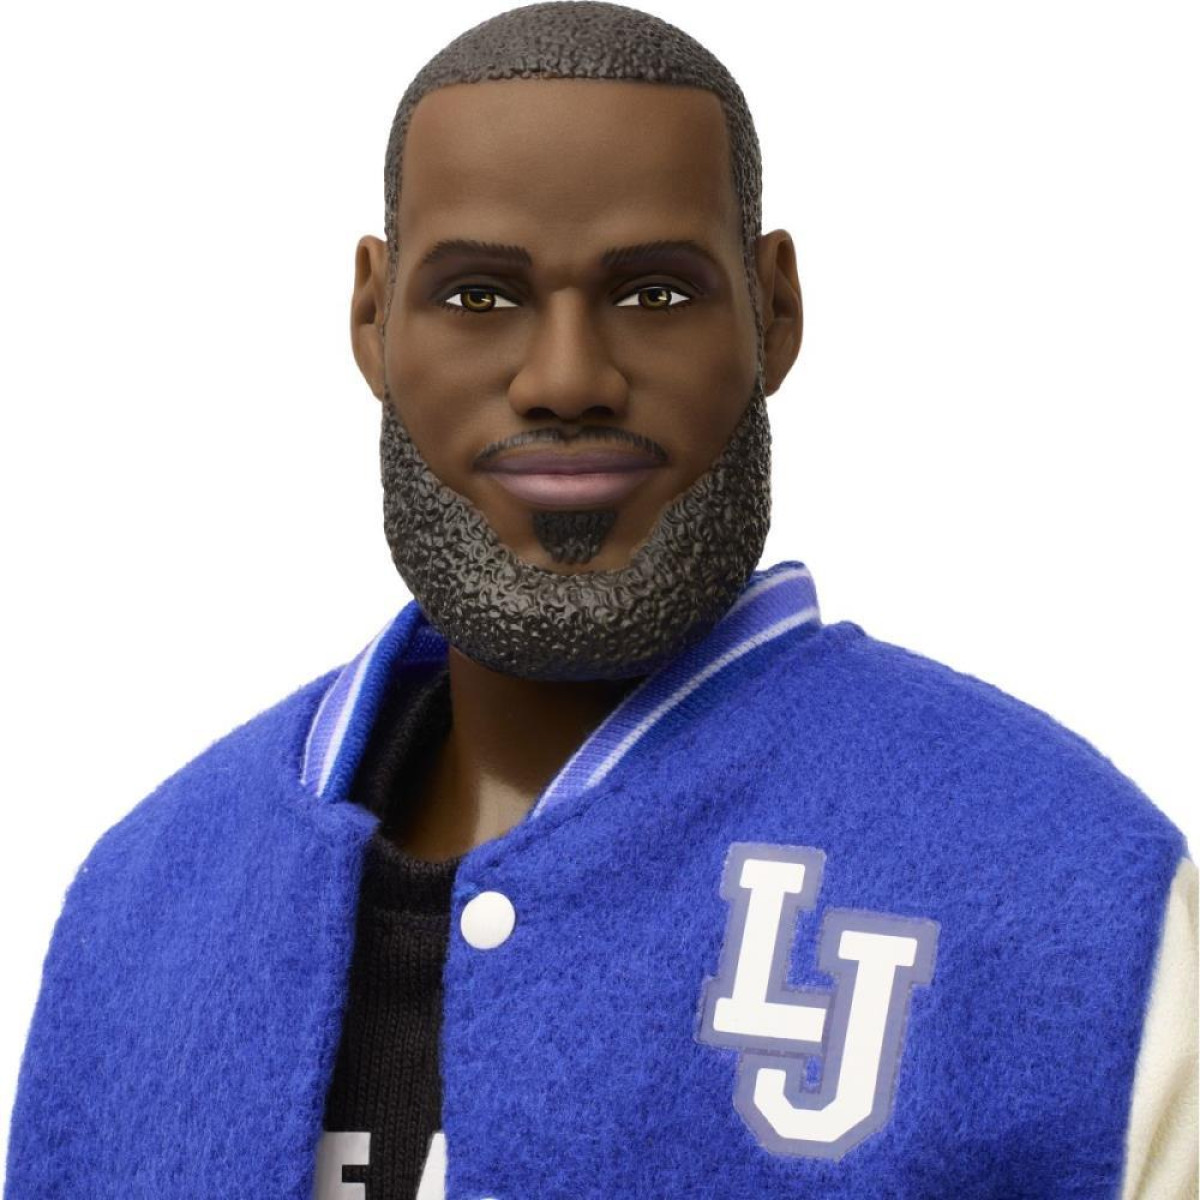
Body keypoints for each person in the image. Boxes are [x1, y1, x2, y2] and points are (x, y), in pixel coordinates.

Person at [5, 3, 1195, 1198]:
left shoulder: (1074, 894)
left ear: (774, 311)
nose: (567, 378)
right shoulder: (143, 901)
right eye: (479, 297)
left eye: (655, 295)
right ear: (372, 318)